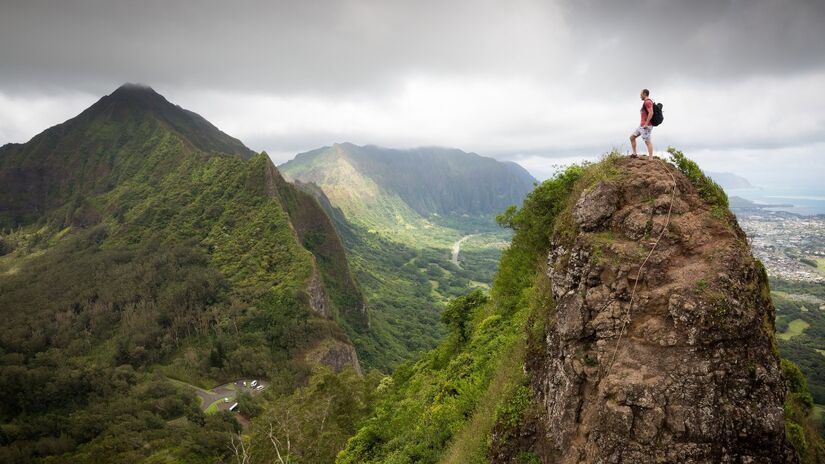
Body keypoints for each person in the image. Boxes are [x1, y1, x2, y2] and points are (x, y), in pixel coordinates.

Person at [630, 89, 654, 160]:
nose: (640, 96)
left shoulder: (648, 102)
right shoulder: (646, 102)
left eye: (641, 94)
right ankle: (634, 154)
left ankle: (650, 158)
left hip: (646, 126)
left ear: (644, 94)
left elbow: (651, 113)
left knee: (647, 142)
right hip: (641, 126)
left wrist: (646, 124)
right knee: (632, 137)